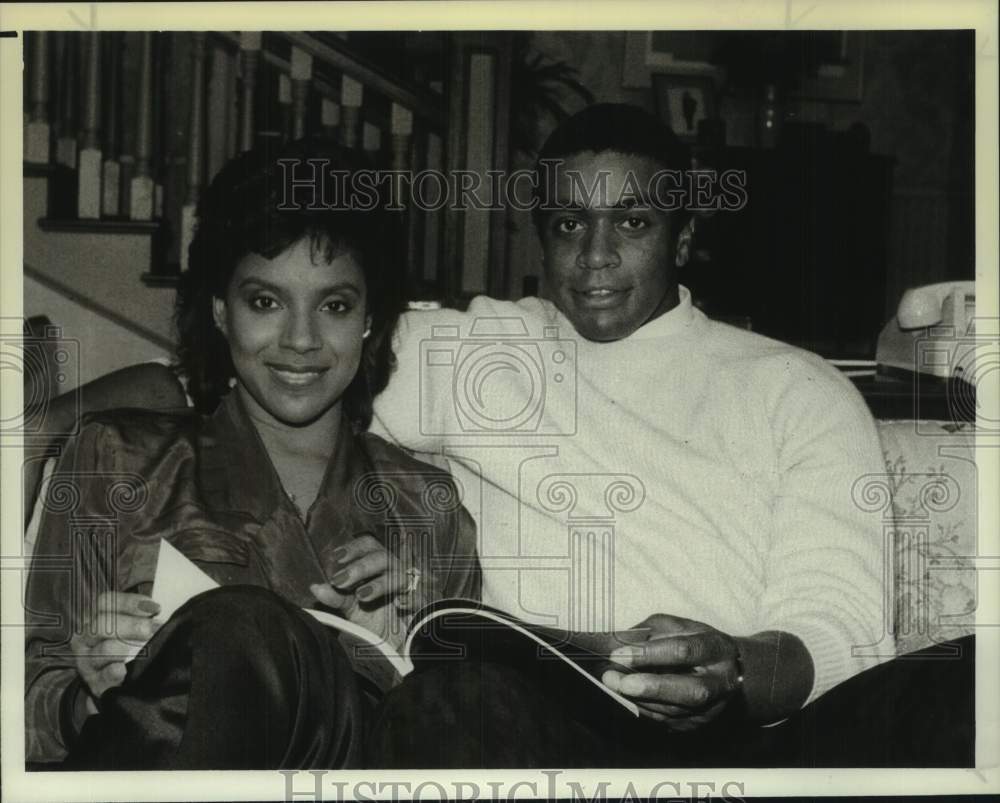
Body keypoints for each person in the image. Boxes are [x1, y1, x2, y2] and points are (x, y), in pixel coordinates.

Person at [363, 104, 974, 767]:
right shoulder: (472, 355)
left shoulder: (799, 388)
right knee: (449, 699)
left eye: (633, 222)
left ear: (682, 239)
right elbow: (302, 346)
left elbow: (842, 631)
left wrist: (732, 669)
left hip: (758, 745)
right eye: (570, 224)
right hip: (555, 732)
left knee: (970, 677)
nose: (596, 258)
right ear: (541, 238)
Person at [23, 139, 480, 769]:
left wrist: (399, 669)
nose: (300, 340)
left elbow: (460, 752)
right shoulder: (117, 459)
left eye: (335, 306)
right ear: (219, 309)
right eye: (265, 302)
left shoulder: (427, 508)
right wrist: (89, 695)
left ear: (371, 317)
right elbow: (24, 717)